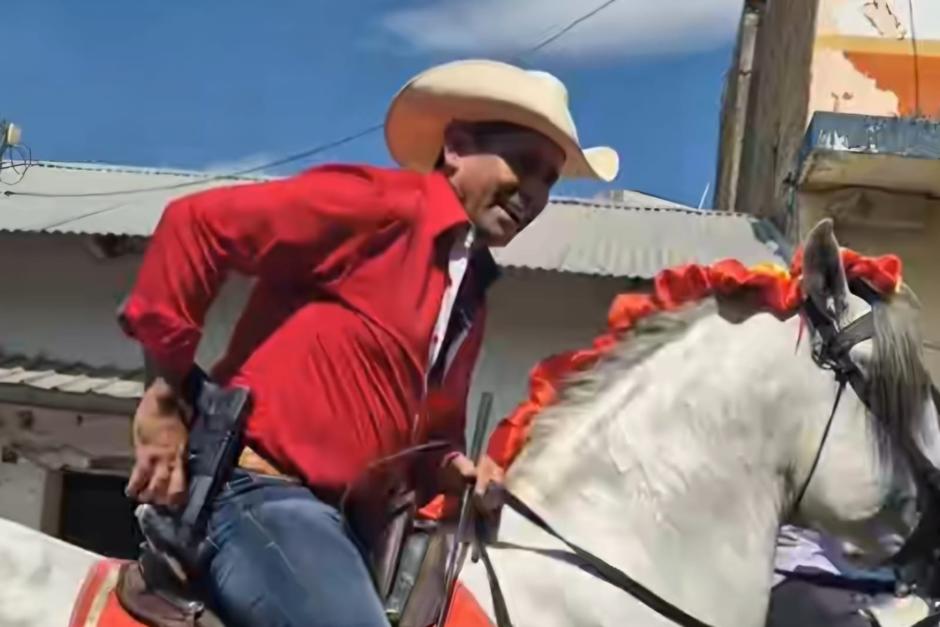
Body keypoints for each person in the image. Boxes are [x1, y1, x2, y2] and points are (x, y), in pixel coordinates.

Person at [117, 58, 618, 627]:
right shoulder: (378, 206)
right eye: (524, 166)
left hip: (348, 527)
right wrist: (162, 397)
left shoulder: (470, 292)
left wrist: (455, 468)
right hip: (259, 493)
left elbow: (428, 437)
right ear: (455, 146)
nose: (532, 192)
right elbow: (195, 225)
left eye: (548, 180)